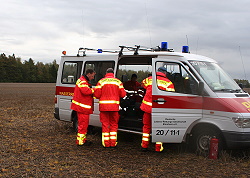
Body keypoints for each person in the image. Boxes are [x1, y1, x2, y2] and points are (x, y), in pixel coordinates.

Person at [140, 67, 175, 152]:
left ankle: (144, 146)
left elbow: (142, 85)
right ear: (164, 73)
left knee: (146, 127)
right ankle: (158, 148)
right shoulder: (168, 82)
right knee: (159, 128)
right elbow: (172, 95)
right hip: (159, 109)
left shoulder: (149, 79)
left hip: (147, 108)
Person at [94, 68, 126, 148]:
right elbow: (123, 95)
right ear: (113, 73)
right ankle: (113, 143)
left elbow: (97, 95)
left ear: (106, 73)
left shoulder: (101, 82)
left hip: (104, 108)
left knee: (105, 125)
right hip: (114, 108)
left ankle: (106, 144)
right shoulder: (118, 82)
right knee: (114, 124)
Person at [70, 69, 96, 146]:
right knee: (83, 125)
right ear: (88, 74)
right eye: (92, 75)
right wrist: (95, 90)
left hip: (82, 108)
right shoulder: (83, 81)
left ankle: (82, 140)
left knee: (83, 125)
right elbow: (86, 91)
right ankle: (81, 142)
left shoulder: (82, 80)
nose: (93, 77)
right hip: (82, 108)